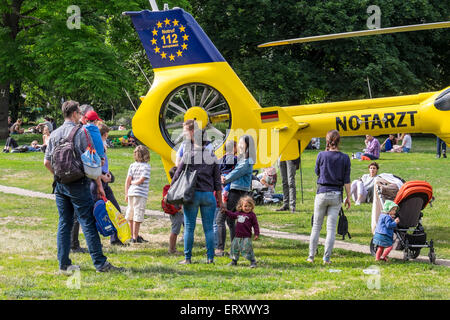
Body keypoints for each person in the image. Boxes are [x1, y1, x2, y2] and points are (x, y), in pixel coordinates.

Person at [43, 100, 122, 274]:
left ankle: (63, 264)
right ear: (74, 114)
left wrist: (58, 175)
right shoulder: (81, 132)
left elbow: (47, 162)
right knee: (87, 221)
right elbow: (94, 161)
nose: (81, 116)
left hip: (60, 184)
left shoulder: (54, 134)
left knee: (64, 222)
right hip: (79, 183)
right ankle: (100, 263)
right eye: (80, 113)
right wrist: (99, 182)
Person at [173, 119, 224, 264]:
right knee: (209, 228)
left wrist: (172, 192)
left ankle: (187, 258)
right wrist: (220, 200)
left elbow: (177, 174)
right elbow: (217, 182)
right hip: (208, 195)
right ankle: (210, 258)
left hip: (192, 195)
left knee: (189, 227)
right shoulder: (213, 157)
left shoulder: (188, 155)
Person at [308, 129, 351, 265]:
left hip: (322, 192)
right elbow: (347, 180)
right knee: (331, 229)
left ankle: (311, 256)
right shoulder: (345, 158)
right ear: (339, 141)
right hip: (336, 194)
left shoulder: (321, 155)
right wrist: (348, 197)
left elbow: (317, 172)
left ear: (327, 141)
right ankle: (326, 258)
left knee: (316, 226)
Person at [215, 135, 255, 257]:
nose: (240, 146)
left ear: (248, 146)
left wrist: (224, 179)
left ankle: (220, 249)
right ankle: (234, 249)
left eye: (242, 144)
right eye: (239, 144)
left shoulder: (247, 161)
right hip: (236, 191)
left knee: (220, 219)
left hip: (237, 192)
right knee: (230, 221)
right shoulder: (243, 159)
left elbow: (236, 173)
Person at [93, 123, 124, 246]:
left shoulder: (102, 146)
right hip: (96, 183)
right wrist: (102, 177)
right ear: (105, 135)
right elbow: (91, 167)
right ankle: (96, 242)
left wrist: (108, 175)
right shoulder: (95, 147)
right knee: (96, 212)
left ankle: (115, 238)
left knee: (115, 209)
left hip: (104, 180)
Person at [220, 196, 259, 268]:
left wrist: (256, 233)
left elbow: (255, 225)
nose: (247, 208)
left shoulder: (252, 215)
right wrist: (226, 211)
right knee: (234, 248)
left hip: (246, 236)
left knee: (247, 249)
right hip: (237, 236)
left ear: (252, 206)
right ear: (241, 206)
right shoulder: (238, 213)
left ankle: (252, 261)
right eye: (245, 206)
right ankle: (234, 261)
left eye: (249, 206)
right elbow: (232, 215)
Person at [125, 145, 151, 243]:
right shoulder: (147, 166)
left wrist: (126, 193)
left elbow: (127, 180)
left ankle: (132, 235)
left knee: (131, 214)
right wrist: (134, 183)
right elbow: (141, 180)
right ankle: (135, 237)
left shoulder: (132, 165)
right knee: (137, 215)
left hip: (131, 192)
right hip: (140, 194)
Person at [162, 166, 184, 255]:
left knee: (177, 230)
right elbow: (168, 200)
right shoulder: (172, 188)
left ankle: (174, 248)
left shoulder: (170, 187)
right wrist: (178, 209)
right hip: (176, 212)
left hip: (177, 212)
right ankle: (172, 249)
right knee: (175, 231)